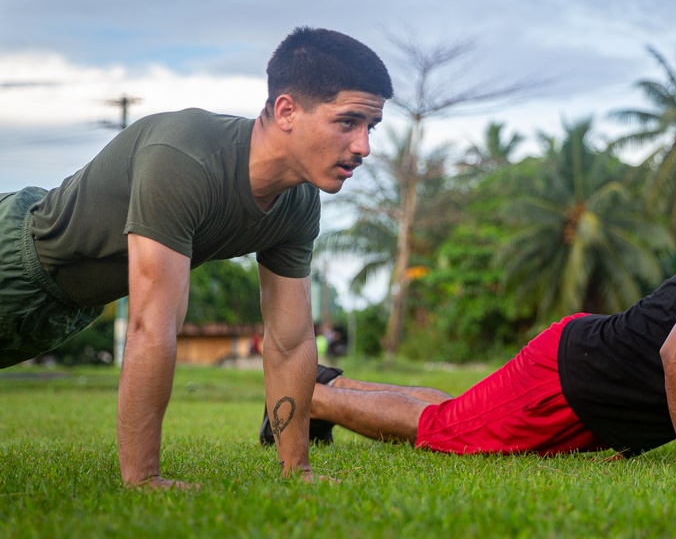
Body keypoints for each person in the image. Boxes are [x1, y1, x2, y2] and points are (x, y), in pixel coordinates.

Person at [260, 177, 676, 465]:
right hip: (576, 383)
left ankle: (327, 387)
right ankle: (306, 397)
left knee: (459, 413)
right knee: (443, 431)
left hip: (587, 383)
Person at [0, 26, 393, 488]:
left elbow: (289, 342)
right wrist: (144, 480)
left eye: (371, 127)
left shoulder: (298, 203)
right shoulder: (184, 158)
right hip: (14, 259)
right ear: (287, 110)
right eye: (348, 122)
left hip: (66, 308)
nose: (364, 146)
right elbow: (152, 324)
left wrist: (298, 471)